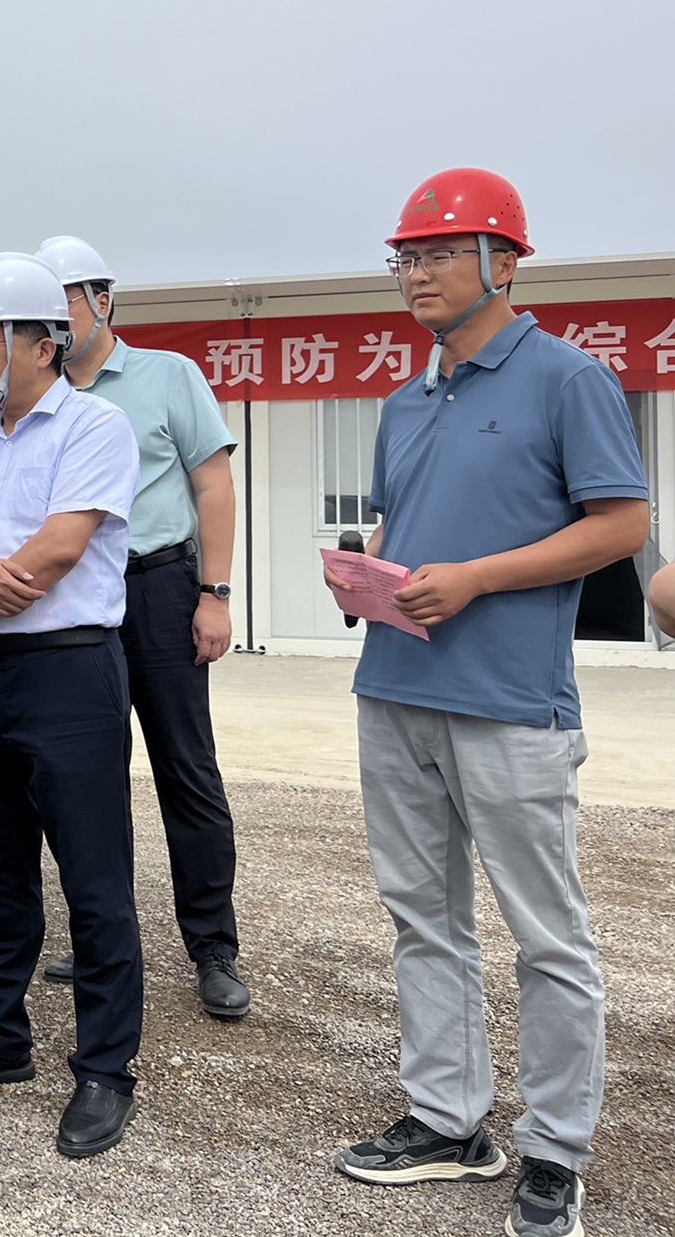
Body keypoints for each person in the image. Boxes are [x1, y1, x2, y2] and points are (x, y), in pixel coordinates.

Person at [325, 170, 648, 1237]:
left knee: (547, 935)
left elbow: (621, 525)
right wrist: (368, 571)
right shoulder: (405, 399)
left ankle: (556, 1149)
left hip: (510, 700)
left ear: (502, 263)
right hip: (395, 685)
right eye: (406, 257)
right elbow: (401, 523)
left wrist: (476, 578)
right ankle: (448, 1118)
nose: (415, 274)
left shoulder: (568, 378)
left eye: (438, 254)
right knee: (424, 917)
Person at [0, 255, 144, 1159]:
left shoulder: (95, 426)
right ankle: (0, 1033)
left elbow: (53, 555)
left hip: (67, 671)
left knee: (94, 878)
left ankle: (105, 1066)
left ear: (42, 343)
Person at [38, 233, 249, 1019]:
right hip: (72, 603)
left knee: (185, 768)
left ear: (102, 300)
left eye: (65, 299)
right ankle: (104, 936)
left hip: (159, 588)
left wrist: (214, 593)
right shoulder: (39, 396)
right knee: (86, 777)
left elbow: (213, 486)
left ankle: (213, 946)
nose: (53, 318)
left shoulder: (169, 375)